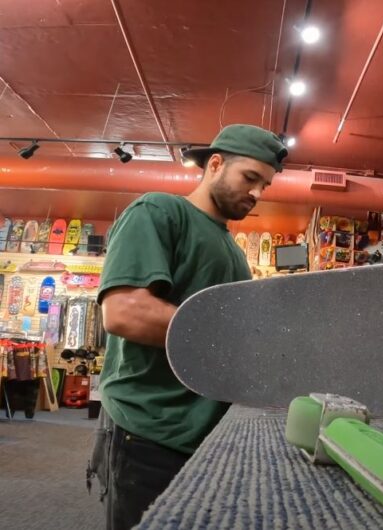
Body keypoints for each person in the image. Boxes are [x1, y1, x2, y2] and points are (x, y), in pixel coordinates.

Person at [87, 124, 288, 530]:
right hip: (150, 429)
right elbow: (125, 312)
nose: (256, 193)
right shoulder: (160, 211)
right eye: (250, 178)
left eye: (265, 185)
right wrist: (240, 338)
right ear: (215, 163)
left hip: (205, 433)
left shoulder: (231, 247)